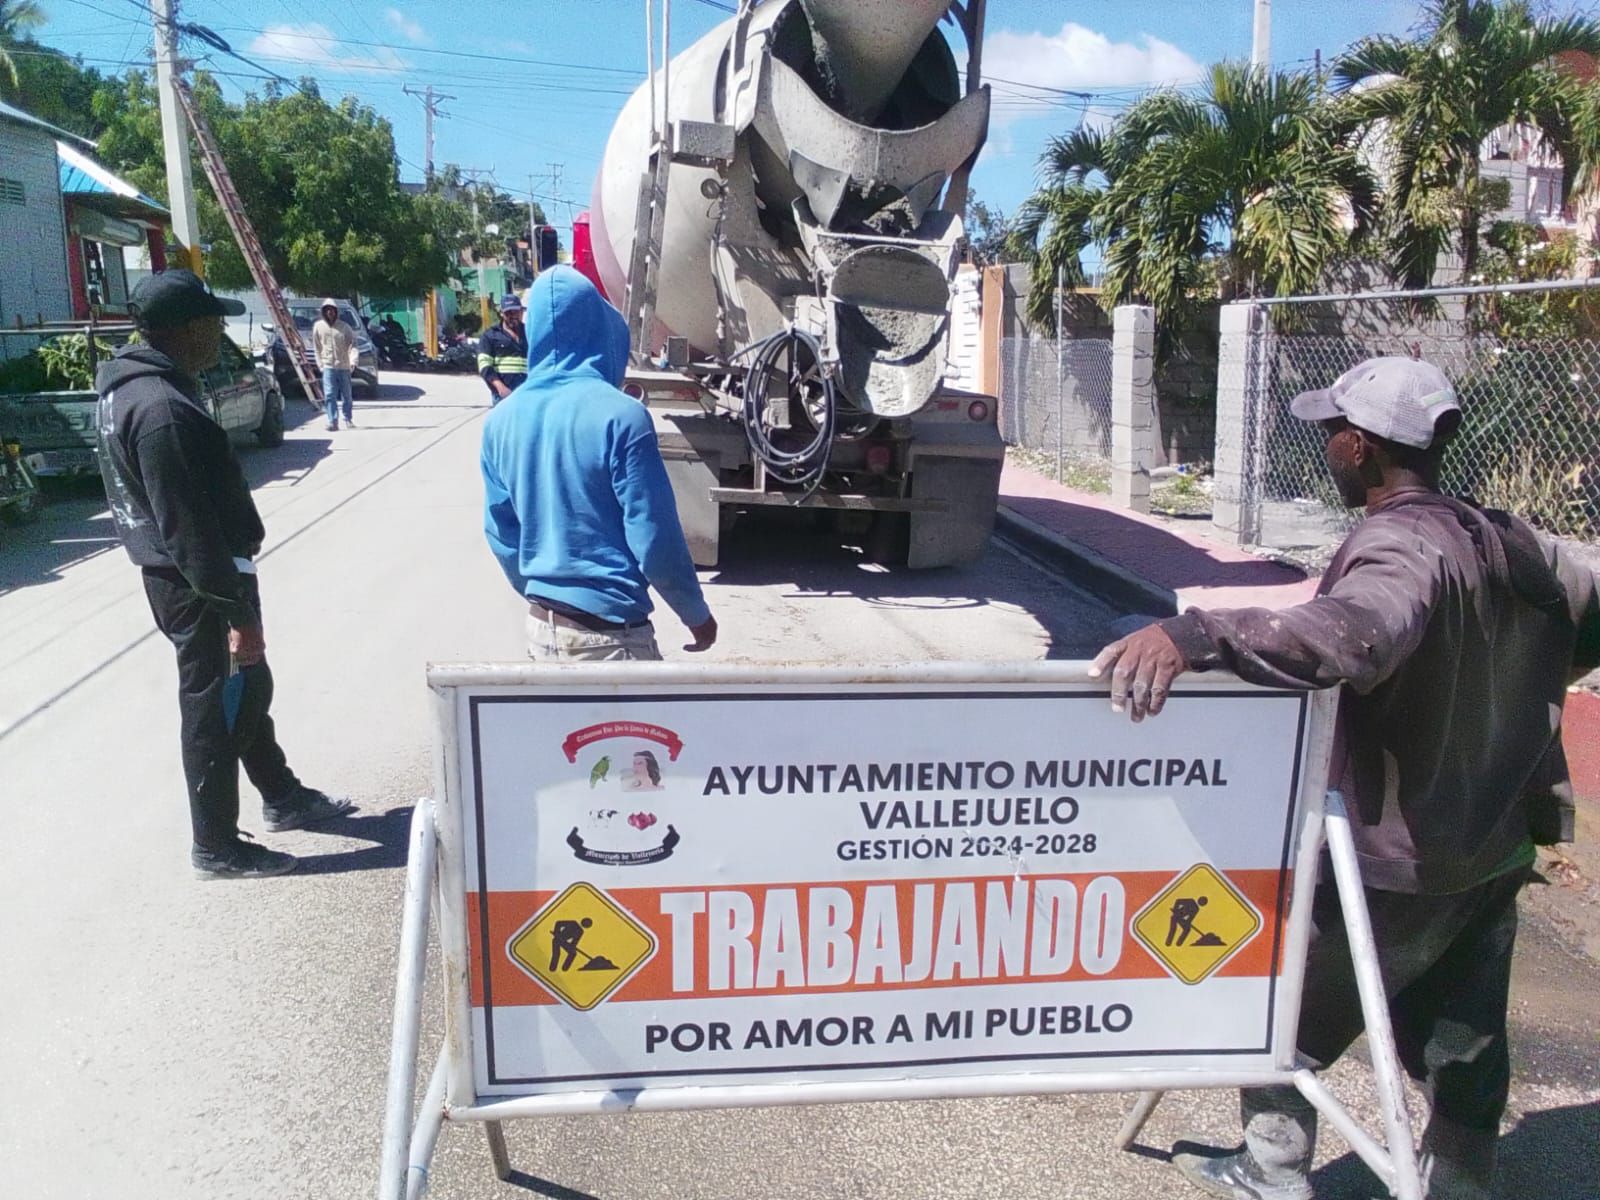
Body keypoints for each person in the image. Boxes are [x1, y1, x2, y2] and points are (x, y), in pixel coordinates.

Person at [1090, 357, 1599, 1200]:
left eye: (1332, 431)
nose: (1327, 443)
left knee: (1279, 1005)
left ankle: (1271, 1167)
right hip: (1494, 843)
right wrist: (1521, 688)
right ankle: (1462, 1181)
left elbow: (1358, 630)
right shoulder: (1511, 539)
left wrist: (1199, 634)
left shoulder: (1401, 543)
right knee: (1466, 1028)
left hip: (1393, 853)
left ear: (1360, 446)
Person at [96, 270, 354, 880]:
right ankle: (215, 846)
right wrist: (236, 612)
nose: (219, 332)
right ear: (185, 329)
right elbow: (186, 526)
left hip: (191, 575)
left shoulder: (133, 390)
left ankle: (282, 795)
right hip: (199, 585)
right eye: (212, 322)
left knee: (247, 689)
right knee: (215, 708)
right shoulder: (160, 410)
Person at [481, 266, 718, 661]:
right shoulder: (622, 416)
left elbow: (502, 535)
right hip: (611, 636)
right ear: (597, 327)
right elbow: (653, 534)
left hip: (542, 628)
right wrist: (695, 614)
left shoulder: (500, 421)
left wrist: (549, 594)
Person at [311, 298, 359, 431]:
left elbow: (353, 345)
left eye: (332, 310)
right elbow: (317, 347)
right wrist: (320, 364)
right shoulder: (318, 327)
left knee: (346, 395)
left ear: (336, 312)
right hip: (328, 366)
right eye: (327, 310)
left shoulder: (344, 327)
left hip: (344, 366)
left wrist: (353, 360)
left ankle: (348, 418)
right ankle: (332, 421)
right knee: (329, 394)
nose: (330, 312)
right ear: (323, 312)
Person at [478, 293, 530, 404]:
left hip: (527, 393)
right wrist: (500, 387)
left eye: (516, 311)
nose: (513, 315)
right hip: (503, 395)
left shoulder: (530, 333)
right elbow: (484, 365)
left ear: (521, 311)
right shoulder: (490, 336)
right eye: (508, 312)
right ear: (501, 313)